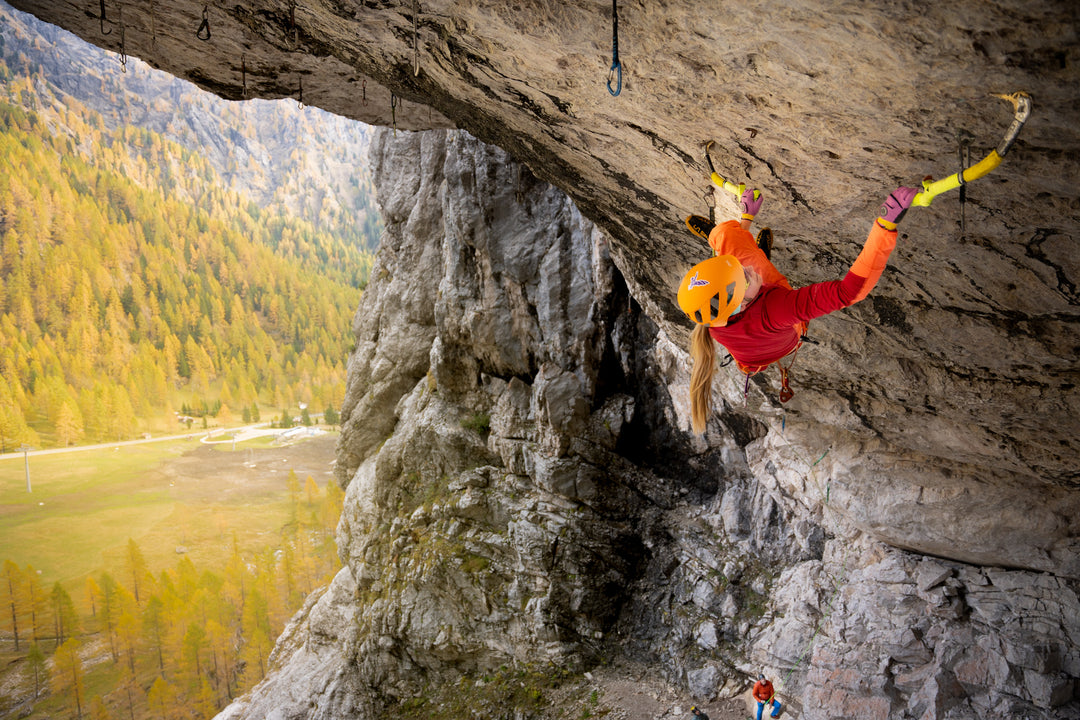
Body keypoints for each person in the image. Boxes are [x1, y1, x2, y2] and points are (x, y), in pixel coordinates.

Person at [678, 184, 918, 432]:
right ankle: (754, 250)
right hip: (785, 326)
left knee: (731, 243)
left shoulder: (710, 318)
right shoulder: (779, 308)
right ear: (743, 300)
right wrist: (885, 225)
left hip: (752, 359)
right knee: (754, 263)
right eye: (744, 278)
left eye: (736, 270)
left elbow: (732, 269)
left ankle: (739, 239)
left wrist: (746, 219)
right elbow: (849, 292)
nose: (747, 271)